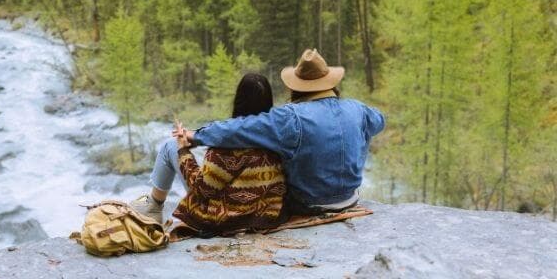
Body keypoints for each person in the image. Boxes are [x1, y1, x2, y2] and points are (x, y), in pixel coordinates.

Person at [174, 49, 385, 216]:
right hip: (350, 198)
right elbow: (379, 121)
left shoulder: (291, 117)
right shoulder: (358, 109)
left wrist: (196, 135)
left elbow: (240, 128)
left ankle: (151, 203)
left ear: (297, 88)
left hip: (308, 203)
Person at [130, 73, 286, 234]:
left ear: (238, 99)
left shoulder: (226, 142)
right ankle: (153, 206)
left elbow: (203, 189)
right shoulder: (277, 134)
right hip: (265, 214)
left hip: (225, 220)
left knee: (170, 146)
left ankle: (154, 207)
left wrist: (183, 150)